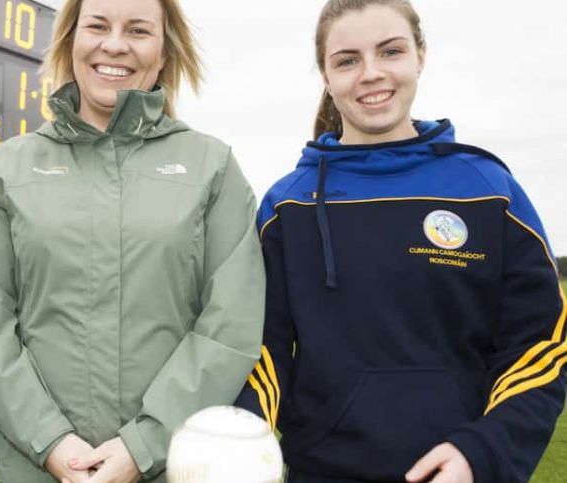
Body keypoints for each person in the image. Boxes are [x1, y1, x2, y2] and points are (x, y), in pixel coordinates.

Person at [235, 1, 566, 482]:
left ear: (420, 57)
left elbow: (539, 347)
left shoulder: (489, 190)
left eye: (390, 52)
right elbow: (259, 349)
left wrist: (482, 451)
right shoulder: (288, 206)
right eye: (347, 60)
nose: (371, 74)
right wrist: (242, 434)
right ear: (326, 77)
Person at [0, 0, 266, 481]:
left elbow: (230, 325)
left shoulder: (212, 166)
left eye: (138, 30)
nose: (114, 44)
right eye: (97, 26)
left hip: (175, 468)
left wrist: (145, 445)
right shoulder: (9, 166)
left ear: (163, 52)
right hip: (34, 470)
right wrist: (50, 442)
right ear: (71, 41)